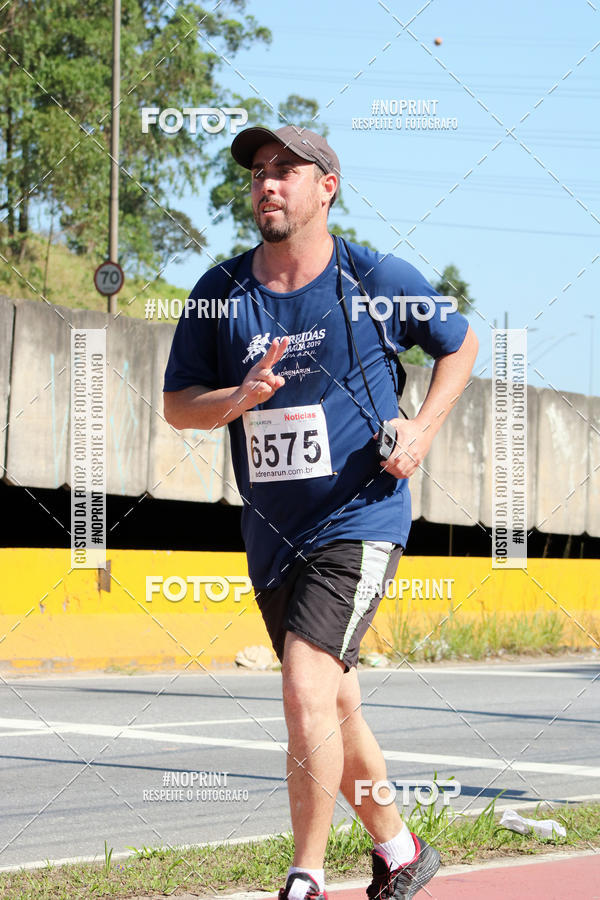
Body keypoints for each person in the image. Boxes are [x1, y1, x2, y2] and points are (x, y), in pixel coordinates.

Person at [163, 124, 479, 900]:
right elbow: (178, 406)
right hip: (273, 534)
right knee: (332, 704)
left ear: (326, 187)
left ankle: (306, 874)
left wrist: (422, 430)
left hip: (361, 517)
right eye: (257, 173)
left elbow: (461, 344)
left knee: (306, 686)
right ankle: (402, 851)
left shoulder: (373, 276)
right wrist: (236, 398)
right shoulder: (219, 293)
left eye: (285, 170)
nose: (267, 184)